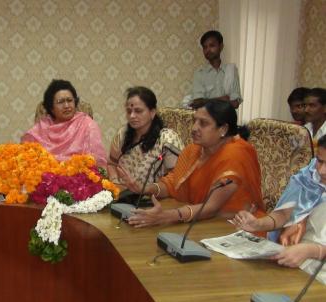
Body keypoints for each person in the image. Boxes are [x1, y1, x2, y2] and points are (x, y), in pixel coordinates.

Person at [126, 100, 265, 227]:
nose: (194, 128)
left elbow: (211, 208)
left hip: (236, 227)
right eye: (195, 121)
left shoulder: (235, 154)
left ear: (223, 129)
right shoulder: (195, 149)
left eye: (203, 123)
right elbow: (173, 182)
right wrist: (146, 189)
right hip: (199, 221)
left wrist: (166, 216)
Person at [231, 134, 326, 283]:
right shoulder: (308, 177)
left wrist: (314, 251)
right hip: (294, 258)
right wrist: (257, 224)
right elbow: (284, 214)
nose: (321, 171)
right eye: (320, 161)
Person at [108, 86, 184, 190]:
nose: (132, 116)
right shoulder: (122, 134)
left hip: (155, 199)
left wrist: (144, 190)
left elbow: (177, 179)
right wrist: (115, 182)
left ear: (152, 113)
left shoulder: (167, 139)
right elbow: (111, 164)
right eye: (129, 111)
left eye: (138, 111)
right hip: (122, 196)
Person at [21, 79, 107, 167]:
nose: (66, 106)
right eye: (60, 102)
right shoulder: (40, 129)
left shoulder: (87, 125)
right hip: (46, 177)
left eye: (69, 100)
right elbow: (27, 159)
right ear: (51, 108)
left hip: (79, 177)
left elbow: (97, 160)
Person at [187, 30, 242, 109]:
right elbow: (197, 103)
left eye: (212, 45)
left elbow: (235, 103)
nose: (208, 50)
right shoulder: (200, 73)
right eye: (205, 47)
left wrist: (206, 101)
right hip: (206, 119)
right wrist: (222, 99)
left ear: (221, 46)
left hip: (226, 120)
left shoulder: (231, 70)